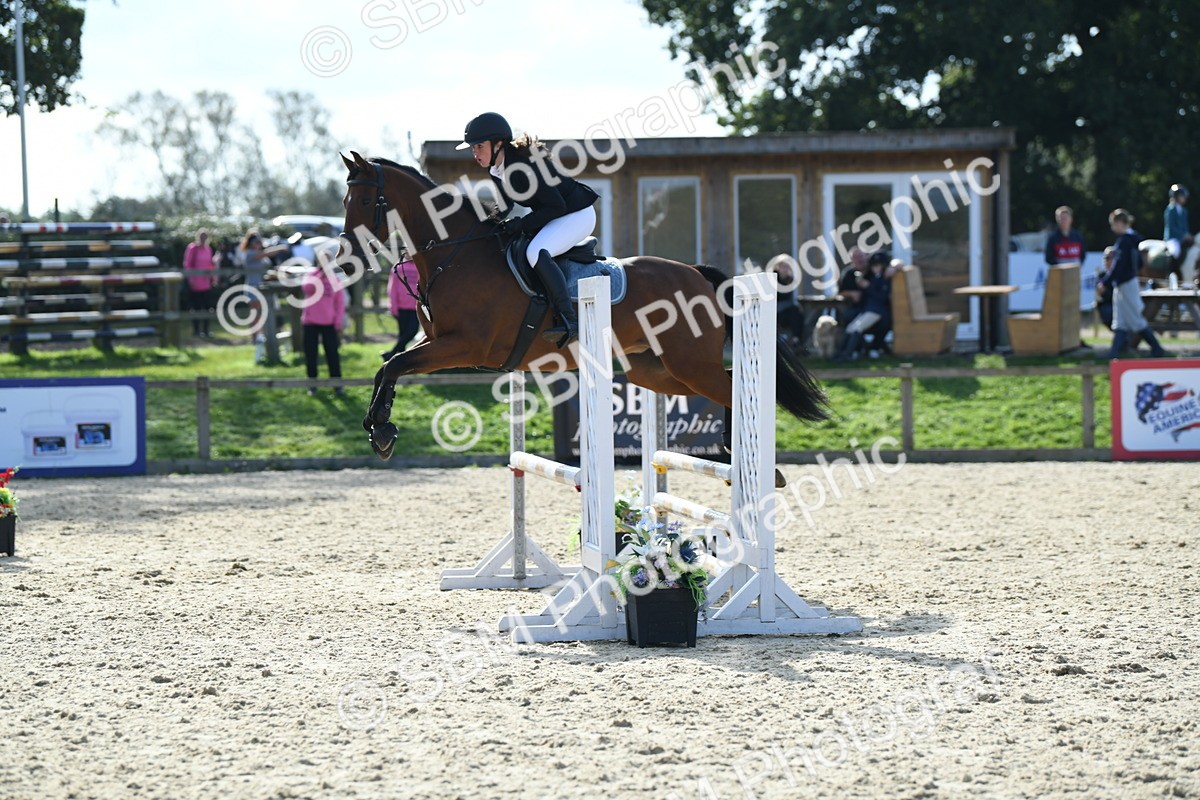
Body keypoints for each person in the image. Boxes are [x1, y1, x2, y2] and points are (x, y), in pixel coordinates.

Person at [458, 112, 598, 345]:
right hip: (557, 214)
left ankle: (569, 321)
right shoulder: (496, 169)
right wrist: (481, 227)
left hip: (577, 214)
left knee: (536, 252)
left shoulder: (522, 167)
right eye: (473, 148)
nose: (475, 153)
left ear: (498, 144)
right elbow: (504, 207)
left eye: (479, 146)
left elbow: (556, 205)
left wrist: (521, 224)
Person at [1098, 209, 1167, 359]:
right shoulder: (1134, 240)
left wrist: (1106, 282)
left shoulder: (1124, 241)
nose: (1112, 227)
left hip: (1126, 283)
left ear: (1119, 223)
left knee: (1136, 320)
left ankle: (1157, 348)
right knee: (1120, 321)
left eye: (1113, 224)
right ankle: (1114, 353)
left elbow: (1119, 266)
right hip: (1125, 283)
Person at [835, 251, 893, 361]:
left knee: (857, 328)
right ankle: (839, 354)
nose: (875, 268)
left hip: (877, 311)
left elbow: (881, 297)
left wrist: (868, 287)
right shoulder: (871, 276)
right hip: (867, 309)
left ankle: (848, 355)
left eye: (877, 265)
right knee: (850, 328)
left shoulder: (884, 278)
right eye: (873, 265)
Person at [300, 264, 347, 396]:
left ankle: (337, 385)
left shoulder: (335, 280)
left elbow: (340, 303)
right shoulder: (311, 275)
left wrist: (337, 323)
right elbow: (307, 289)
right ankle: (312, 385)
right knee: (311, 354)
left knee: (332, 354)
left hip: (329, 323)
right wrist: (319, 276)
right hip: (310, 322)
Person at [383, 259, 421, 361]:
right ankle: (400, 363)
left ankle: (391, 355)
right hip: (401, 307)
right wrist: (393, 305)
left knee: (412, 332)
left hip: (416, 307)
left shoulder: (420, 265)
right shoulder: (398, 266)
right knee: (403, 335)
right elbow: (392, 288)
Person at [182, 229, 216, 337]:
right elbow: (187, 264)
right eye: (201, 236)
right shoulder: (192, 248)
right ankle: (196, 331)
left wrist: (213, 278)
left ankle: (206, 330)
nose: (203, 239)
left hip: (206, 283)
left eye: (205, 236)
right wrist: (191, 280)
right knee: (196, 308)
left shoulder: (208, 249)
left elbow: (210, 265)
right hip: (195, 283)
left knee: (207, 307)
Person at [772, 259, 805, 345]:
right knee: (795, 311)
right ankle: (796, 340)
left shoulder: (789, 280)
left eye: (787, 266)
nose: (785, 269)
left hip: (786, 311)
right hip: (774, 312)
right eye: (783, 266)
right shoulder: (772, 278)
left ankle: (796, 339)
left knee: (798, 313)